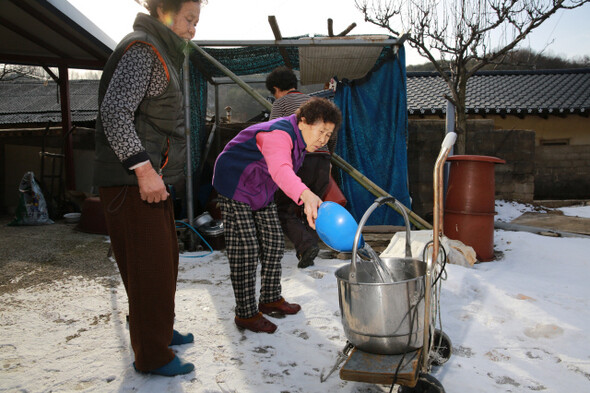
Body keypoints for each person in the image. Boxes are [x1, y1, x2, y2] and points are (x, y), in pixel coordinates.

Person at [93, 0, 203, 377]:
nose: (193, 29)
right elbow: (114, 112)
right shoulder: (143, 49)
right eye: (189, 19)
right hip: (131, 183)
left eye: (195, 21)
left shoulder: (165, 55)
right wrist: (142, 170)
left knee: (163, 264)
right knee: (148, 268)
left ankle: (156, 329)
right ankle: (152, 355)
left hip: (151, 182)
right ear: (164, 12)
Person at [212, 98, 342, 333]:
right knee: (246, 250)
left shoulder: (302, 142)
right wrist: (306, 194)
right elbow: (281, 168)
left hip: (261, 188)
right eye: (321, 131)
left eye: (328, 134)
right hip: (235, 183)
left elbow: (281, 173)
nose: (324, 139)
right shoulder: (279, 134)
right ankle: (246, 314)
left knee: (273, 243)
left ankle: (270, 298)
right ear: (303, 122)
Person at [266, 66, 334, 268]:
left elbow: (273, 133)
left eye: (274, 92)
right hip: (322, 161)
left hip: (300, 160)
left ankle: (306, 247)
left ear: (277, 88)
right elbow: (333, 133)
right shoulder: (317, 103)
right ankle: (310, 246)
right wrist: (328, 155)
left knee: (282, 209)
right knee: (314, 207)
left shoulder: (282, 103)